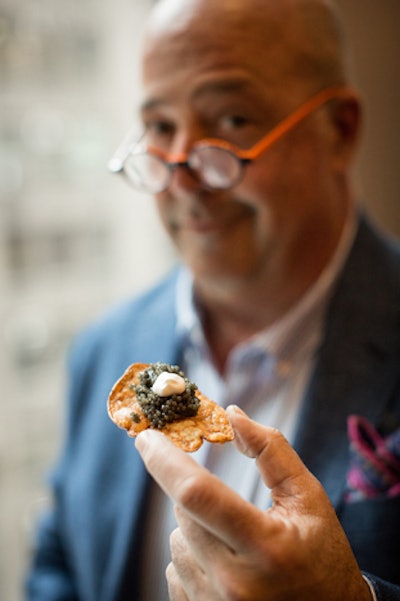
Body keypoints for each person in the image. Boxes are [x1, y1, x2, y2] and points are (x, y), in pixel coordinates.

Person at [26, 0, 400, 599]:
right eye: (160, 128)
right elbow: (61, 564)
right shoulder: (102, 350)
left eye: (230, 119)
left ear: (340, 129)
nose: (179, 176)